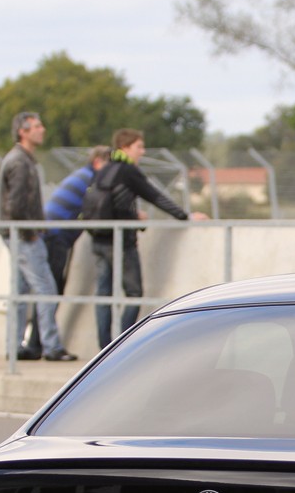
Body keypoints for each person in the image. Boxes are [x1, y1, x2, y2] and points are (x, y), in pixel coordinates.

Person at [86, 128, 206, 347]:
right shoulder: (127, 170)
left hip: (99, 240)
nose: (142, 152)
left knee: (103, 295)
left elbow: (112, 204)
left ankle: (103, 349)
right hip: (120, 242)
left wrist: (133, 215)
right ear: (125, 147)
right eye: (138, 147)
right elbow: (155, 196)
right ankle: (122, 347)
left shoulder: (105, 169)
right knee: (134, 293)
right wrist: (185, 216)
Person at [0, 111, 75, 362]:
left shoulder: (24, 160)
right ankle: (51, 347)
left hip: (19, 234)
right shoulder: (20, 162)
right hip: (23, 236)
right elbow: (16, 204)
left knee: (20, 292)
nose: (42, 130)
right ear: (24, 131)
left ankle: (14, 346)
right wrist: (30, 233)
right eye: (37, 126)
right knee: (46, 289)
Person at [43, 145, 111, 296]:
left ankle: (42, 320)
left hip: (50, 231)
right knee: (52, 286)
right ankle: (42, 320)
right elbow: (100, 207)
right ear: (98, 162)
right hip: (56, 234)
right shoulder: (91, 180)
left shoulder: (82, 174)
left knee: (49, 284)